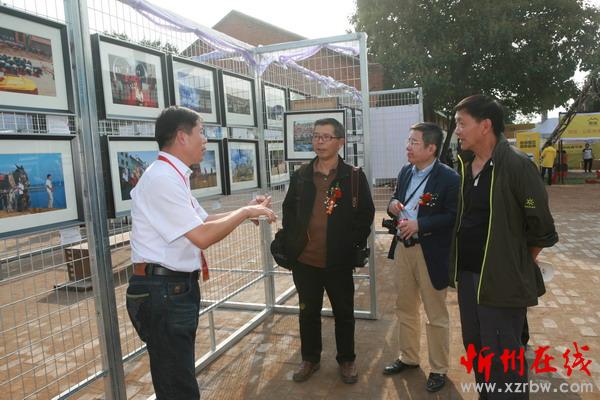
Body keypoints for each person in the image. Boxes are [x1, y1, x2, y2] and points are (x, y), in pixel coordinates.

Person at [126, 106, 276, 400]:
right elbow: (202, 236)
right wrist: (246, 212)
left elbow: (203, 221)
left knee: (178, 377)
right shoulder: (162, 179)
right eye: (201, 132)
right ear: (182, 137)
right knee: (177, 385)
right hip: (162, 291)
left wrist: (246, 211)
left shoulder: (172, 174)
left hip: (172, 289)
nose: (205, 140)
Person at [450, 95, 558, 399]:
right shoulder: (466, 165)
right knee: (476, 347)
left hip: (502, 281)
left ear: (485, 126)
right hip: (468, 277)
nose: (457, 130)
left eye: (461, 123)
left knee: (504, 358)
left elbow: (542, 227)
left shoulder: (517, 166)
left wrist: (515, 262)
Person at [281, 118, 374, 384]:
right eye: (315, 136)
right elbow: (288, 211)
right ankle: (310, 358)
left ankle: (346, 360)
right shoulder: (301, 175)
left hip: (338, 261)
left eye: (326, 137)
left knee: (343, 313)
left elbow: (366, 213)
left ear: (340, 142)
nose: (319, 142)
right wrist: (294, 241)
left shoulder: (352, 176)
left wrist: (350, 243)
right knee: (307, 311)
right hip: (305, 261)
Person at [382, 123, 459, 393]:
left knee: (435, 312)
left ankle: (439, 368)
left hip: (431, 252)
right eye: (408, 141)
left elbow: (453, 216)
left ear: (431, 148)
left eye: (414, 142)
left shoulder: (449, 178)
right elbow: (396, 198)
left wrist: (421, 225)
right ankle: (409, 357)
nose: (408, 147)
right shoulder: (406, 171)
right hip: (403, 249)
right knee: (405, 306)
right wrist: (393, 205)